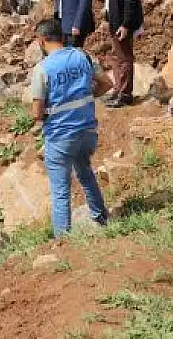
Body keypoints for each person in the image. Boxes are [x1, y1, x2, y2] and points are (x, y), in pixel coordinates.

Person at [29, 18, 109, 237]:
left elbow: (37, 112)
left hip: (61, 136)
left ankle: (63, 240)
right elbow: (107, 83)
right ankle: (101, 217)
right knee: (85, 172)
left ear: (41, 40)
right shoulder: (82, 56)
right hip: (87, 132)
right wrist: (86, 97)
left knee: (61, 190)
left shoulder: (43, 69)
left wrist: (39, 116)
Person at [102, 0, 142, 108]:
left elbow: (130, 0)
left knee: (125, 58)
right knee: (117, 58)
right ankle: (118, 89)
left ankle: (125, 94)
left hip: (121, 24)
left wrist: (126, 24)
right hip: (114, 20)